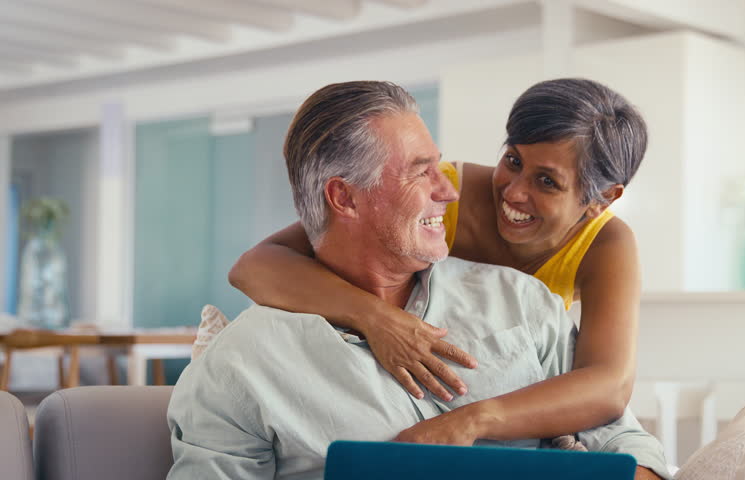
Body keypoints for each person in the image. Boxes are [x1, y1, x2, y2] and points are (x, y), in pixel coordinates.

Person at [167, 81, 668, 480]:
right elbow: (255, 264)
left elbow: (613, 416)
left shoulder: (529, 301)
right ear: (345, 198)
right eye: (422, 171)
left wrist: (472, 422)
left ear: (601, 199)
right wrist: (376, 318)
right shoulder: (244, 365)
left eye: (546, 182)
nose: (450, 190)